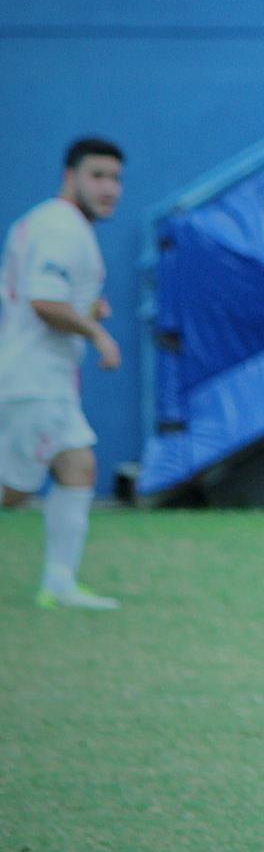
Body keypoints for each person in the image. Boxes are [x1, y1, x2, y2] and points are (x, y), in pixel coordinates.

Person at [2, 137, 127, 609]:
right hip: (34, 381)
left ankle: (59, 580)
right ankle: (59, 580)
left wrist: (87, 308)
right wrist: (96, 333)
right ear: (69, 175)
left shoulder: (50, 222)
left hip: (45, 380)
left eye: (115, 178)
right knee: (12, 492)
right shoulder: (61, 227)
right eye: (97, 175)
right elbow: (43, 301)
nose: (109, 188)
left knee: (78, 466)